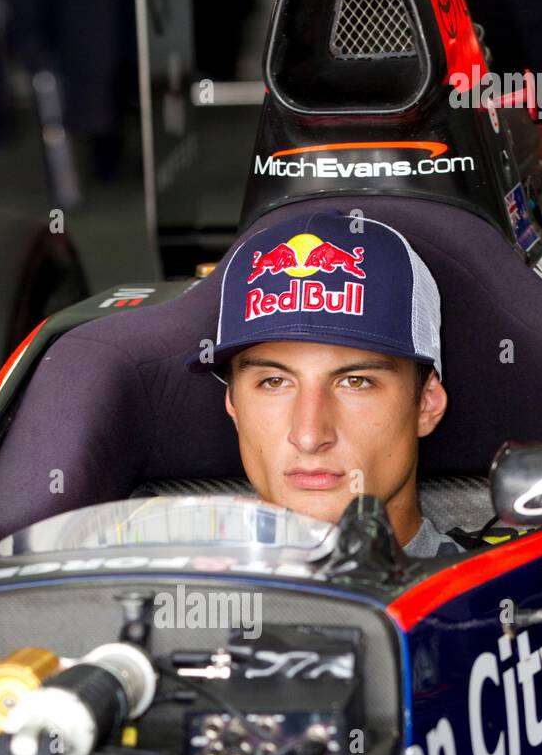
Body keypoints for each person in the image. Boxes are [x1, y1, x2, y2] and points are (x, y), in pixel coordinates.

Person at [186, 213, 462, 559]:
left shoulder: (510, 599)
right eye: (274, 382)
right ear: (232, 403)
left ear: (426, 404)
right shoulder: (164, 599)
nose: (310, 436)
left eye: (355, 381)